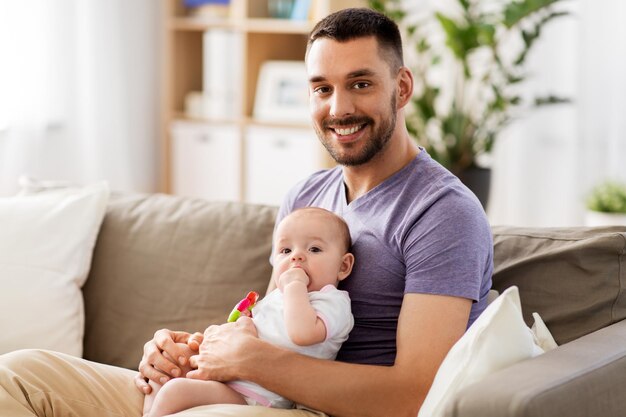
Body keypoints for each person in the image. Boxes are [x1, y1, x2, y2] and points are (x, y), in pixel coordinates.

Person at [0, 7, 492, 417]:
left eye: (360, 84)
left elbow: (417, 394)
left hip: (319, 411)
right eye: (322, 88)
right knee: (19, 374)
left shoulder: (441, 212)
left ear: (401, 88)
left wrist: (253, 363)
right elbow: (270, 325)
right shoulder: (306, 196)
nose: (338, 107)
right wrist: (190, 355)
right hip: (251, 396)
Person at [144, 207, 355, 416]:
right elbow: (252, 333)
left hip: (258, 394)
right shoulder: (277, 296)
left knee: (176, 391)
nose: (296, 257)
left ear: (343, 266)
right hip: (228, 374)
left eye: (314, 249)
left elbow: (302, 333)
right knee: (165, 368)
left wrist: (294, 287)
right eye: (286, 251)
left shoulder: (332, 302)